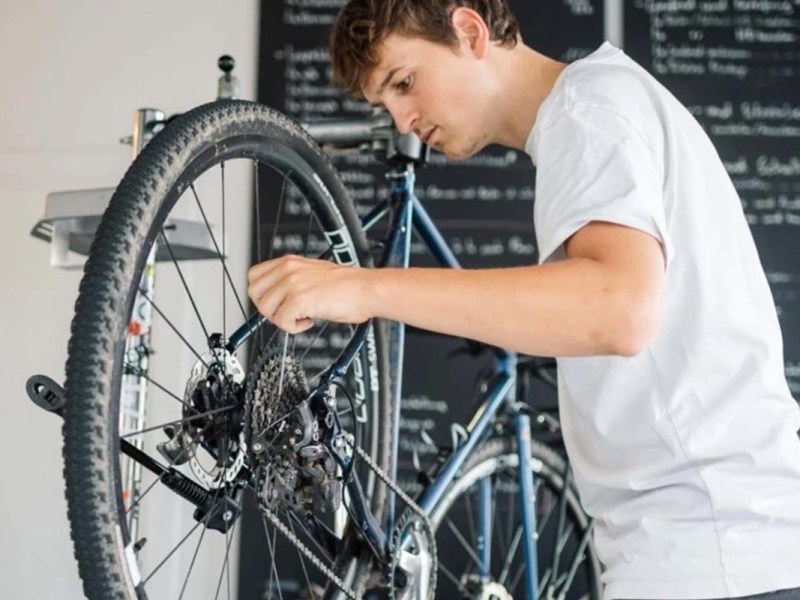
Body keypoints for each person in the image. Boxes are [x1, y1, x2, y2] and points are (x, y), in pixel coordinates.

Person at [247, 1, 800, 598]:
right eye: (386, 105)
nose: (403, 121)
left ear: (469, 31)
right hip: (717, 549)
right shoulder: (597, 107)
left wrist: (364, 288)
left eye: (405, 82)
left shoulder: (587, 111)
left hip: (713, 556)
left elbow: (618, 307)